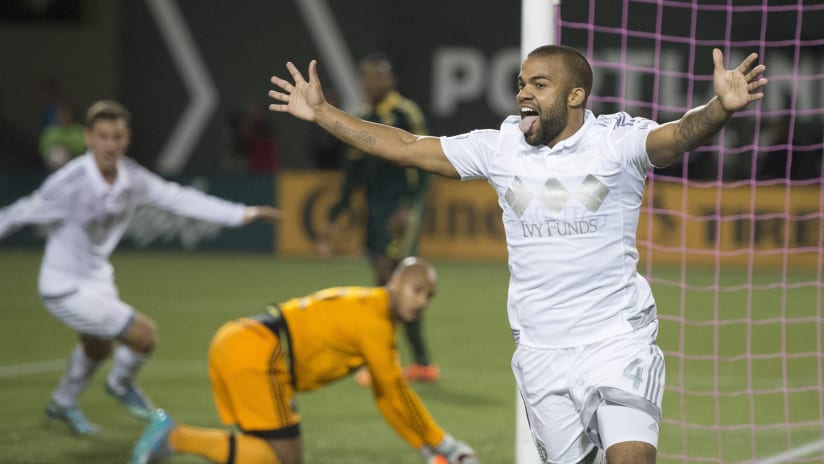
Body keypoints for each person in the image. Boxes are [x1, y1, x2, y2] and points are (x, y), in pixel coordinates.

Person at [267, 46, 768, 464]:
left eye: (539, 84)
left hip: (614, 339)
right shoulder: (501, 147)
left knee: (631, 456)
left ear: (576, 95)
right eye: (521, 82)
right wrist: (322, 113)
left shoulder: (615, 142)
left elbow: (676, 137)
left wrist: (718, 109)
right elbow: (406, 146)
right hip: (540, 353)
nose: (524, 92)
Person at [0, 100, 282, 435]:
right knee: (143, 336)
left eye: (117, 137)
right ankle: (120, 385)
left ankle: (61, 403)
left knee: (97, 346)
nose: (110, 145)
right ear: (89, 138)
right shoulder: (71, 181)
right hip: (63, 286)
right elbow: (17, 213)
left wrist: (241, 213)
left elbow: (179, 198)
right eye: (103, 136)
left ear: (126, 139)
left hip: (97, 279)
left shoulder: (132, 178)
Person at [129, 257, 478, 464]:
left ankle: (173, 438)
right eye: (416, 290)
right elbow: (396, 392)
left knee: (264, 454)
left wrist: (425, 450)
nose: (422, 302)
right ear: (396, 282)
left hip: (242, 341)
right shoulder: (375, 322)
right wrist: (445, 445)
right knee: (284, 457)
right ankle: (174, 438)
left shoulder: (369, 307)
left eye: (429, 296)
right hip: (259, 352)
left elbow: (386, 399)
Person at [317, 53, 438, 386]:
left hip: (400, 210)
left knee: (392, 279)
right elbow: (352, 175)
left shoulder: (405, 113)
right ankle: (421, 363)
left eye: (377, 78)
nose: (372, 85)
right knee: (389, 282)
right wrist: (335, 215)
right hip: (375, 212)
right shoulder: (361, 118)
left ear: (389, 81)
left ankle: (382, 360)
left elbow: (425, 161)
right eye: (367, 79)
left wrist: (410, 206)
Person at [39, 100, 87, 170]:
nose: (63, 116)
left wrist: (68, 148)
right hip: (53, 163)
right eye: (61, 113)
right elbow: (43, 148)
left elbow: (83, 147)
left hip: (75, 161)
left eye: (66, 113)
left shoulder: (79, 130)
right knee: (58, 154)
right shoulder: (51, 130)